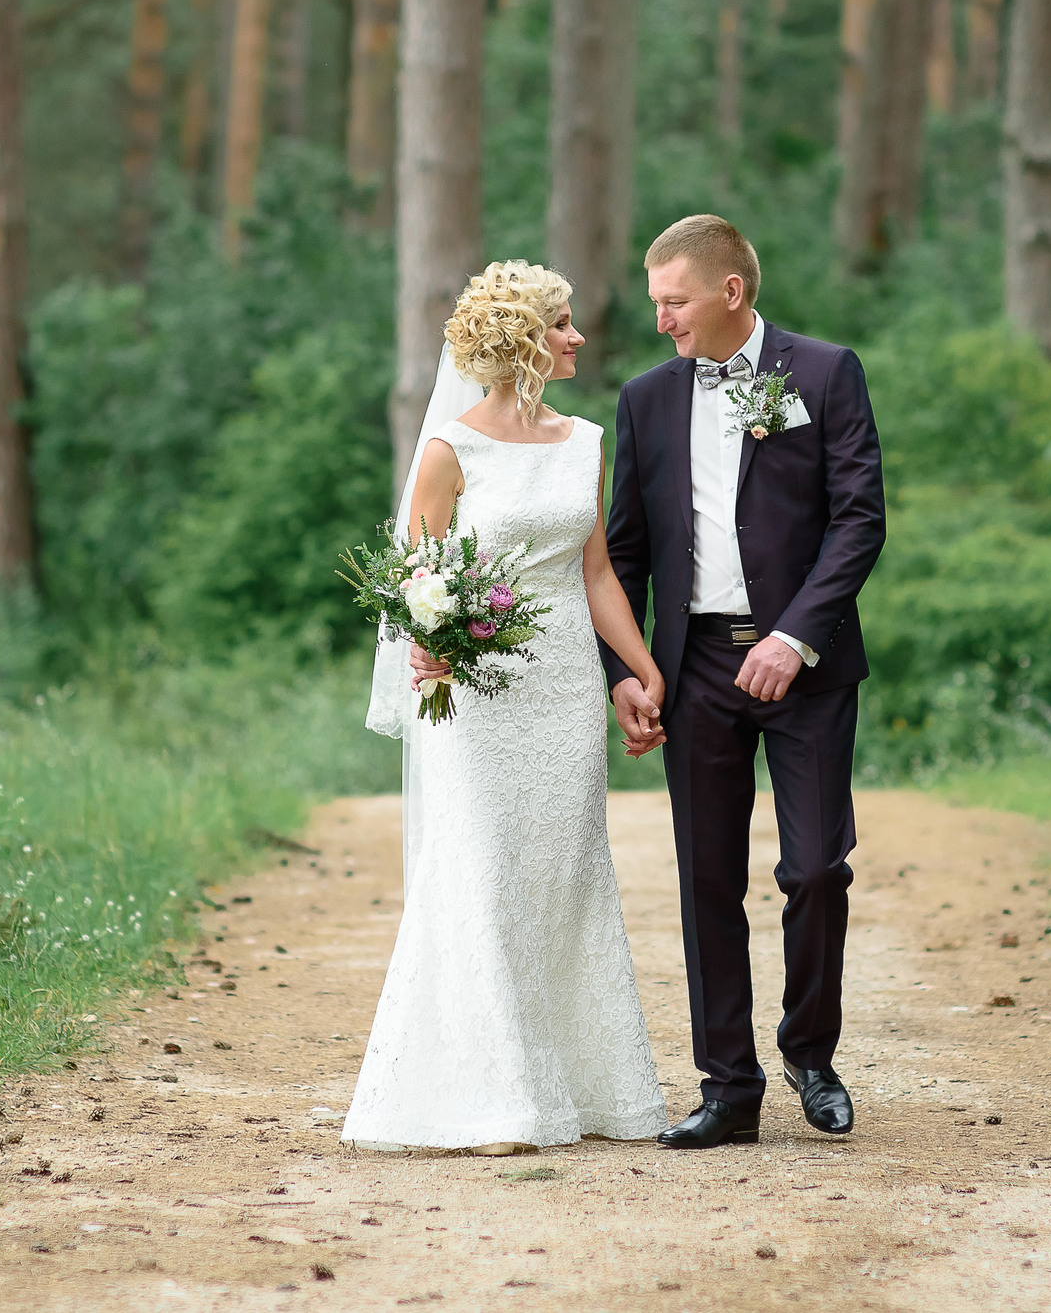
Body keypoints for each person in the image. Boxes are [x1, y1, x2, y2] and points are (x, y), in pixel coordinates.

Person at [345, 261, 669, 1155]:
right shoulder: (449, 451)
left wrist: (641, 668)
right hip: (476, 694)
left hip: (564, 681)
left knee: (565, 873)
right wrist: (427, 635)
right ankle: (495, 1101)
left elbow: (595, 570)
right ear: (523, 339)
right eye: (562, 324)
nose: (577, 337)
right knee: (483, 872)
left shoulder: (584, 439)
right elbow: (416, 577)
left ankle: (586, 1086)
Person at [601, 215, 886, 1149]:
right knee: (705, 880)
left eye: (673, 300)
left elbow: (859, 520)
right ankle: (730, 1086)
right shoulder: (645, 399)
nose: (662, 321)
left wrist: (796, 634)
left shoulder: (827, 371)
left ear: (730, 293)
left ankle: (810, 1051)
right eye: (655, 303)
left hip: (803, 665)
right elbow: (626, 551)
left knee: (815, 869)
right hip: (695, 670)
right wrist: (629, 672)